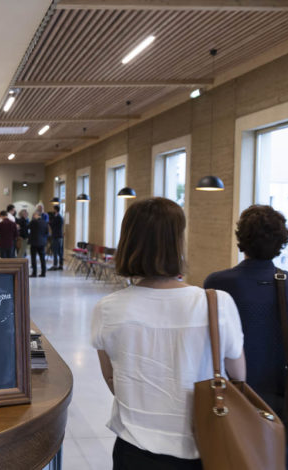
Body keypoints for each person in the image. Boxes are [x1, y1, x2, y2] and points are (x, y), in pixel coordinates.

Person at [92, 197, 245, 469]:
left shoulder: (108, 309)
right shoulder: (216, 303)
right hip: (205, 446)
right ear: (179, 243)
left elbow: (111, 376)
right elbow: (239, 376)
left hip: (134, 448)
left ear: (128, 242)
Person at [204, 205, 288, 470]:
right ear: (281, 242)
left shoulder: (218, 283)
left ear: (241, 239)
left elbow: (209, 337)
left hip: (236, 394)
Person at [29, 211, 48, 278]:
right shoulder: (45, 222)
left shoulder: (33, 222)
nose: (33, 216)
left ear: (37, 215)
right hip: (42, 242)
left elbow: (28, 228)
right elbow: (47, 232)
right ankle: (43, 273)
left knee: (33, 258)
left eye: (34, 215)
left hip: (34, 242)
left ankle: (34, 273)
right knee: (42, 258)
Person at [49, 205, 64, 270]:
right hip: (57, 236)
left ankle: (56, 265)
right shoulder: (58, 217)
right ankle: (60, 265)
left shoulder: (58, 217)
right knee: (59, 251)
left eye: (54, 209)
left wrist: (50, 221)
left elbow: (53, 225)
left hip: (57, 236)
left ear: (56, 210)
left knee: (56, 251)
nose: (53, 211)